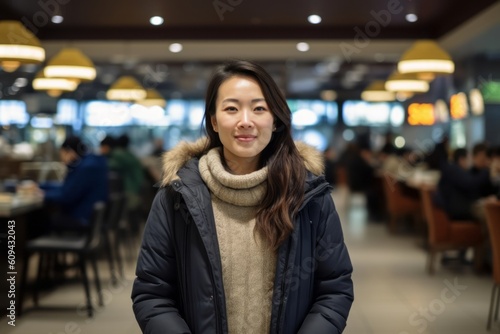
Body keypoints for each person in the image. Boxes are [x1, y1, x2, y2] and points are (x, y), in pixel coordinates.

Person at [131, 60, 354, 334]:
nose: (245, 121)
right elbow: (152, 293)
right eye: (231, 108)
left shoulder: (308, 195)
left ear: (275, 121)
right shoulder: (177, 196)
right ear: (214, 121)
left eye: (259, 108)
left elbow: (334, 289)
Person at [40, 135, 108, 231]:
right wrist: (42, 187)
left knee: (39, 220)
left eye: (62, 154)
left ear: (70, 152)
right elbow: (67, 188)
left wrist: (42, 195)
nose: (62, 160)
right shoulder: (90, 163)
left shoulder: (86, 168)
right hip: (89, 217)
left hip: (82, 218)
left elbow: (66, 196)